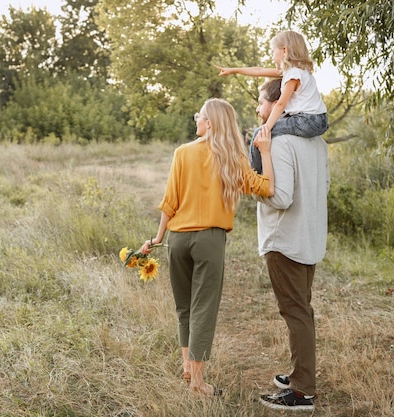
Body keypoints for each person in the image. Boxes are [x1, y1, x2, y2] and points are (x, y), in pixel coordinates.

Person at [139, 98, 275, 397]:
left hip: (177, 238)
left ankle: (188, 368)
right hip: (209, 240)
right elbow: (266, 188)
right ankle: (198, 383)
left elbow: (169, 201)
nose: (196, 119)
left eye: (199, 115)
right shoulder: (232, 157)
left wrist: (158, 238)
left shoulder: (182, 153)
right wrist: (264, 152)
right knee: (203, 308)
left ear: (210, 122)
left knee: (184, 306)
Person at [253, 78, 329, 411]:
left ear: (280, 103)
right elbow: (321, 188)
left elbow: (280, 198)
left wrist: (251, 188)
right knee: (302, 310)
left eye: (262, 102)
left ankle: (302, 392)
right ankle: (300, 374)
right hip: (310, 236)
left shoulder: (281, 143)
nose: (259, 109)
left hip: (285, 240)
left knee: (295, 312)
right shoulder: (318, 142)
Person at [216, 30, 329, 174]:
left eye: (272, 52)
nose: (272, 56)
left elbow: (281, 104)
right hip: (317, 119)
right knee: (271, 127)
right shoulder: (298, 71)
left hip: (307, 121)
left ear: (284, 51)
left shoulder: (293, 75)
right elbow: (259, 70)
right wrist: (234, 70)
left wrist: (267, 128)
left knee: (259, 132)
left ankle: (252, 174)